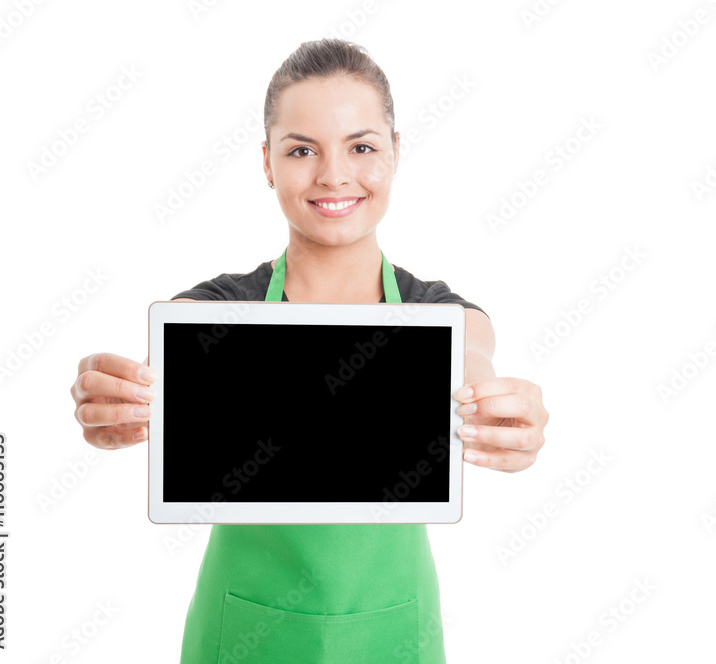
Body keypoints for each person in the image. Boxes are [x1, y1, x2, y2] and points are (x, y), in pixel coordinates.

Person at [70, 38, 548, 663]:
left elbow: (470, 357)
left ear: (396, 154)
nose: (333, 175)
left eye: (362, 147)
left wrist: (501, 411)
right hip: (244, 630)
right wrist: (122, 397)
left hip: (394, 630)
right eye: (301, 150)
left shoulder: (437, 314)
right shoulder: (219, 312)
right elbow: (167, 364)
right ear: (267, 162)